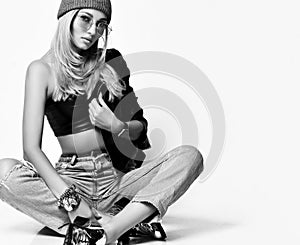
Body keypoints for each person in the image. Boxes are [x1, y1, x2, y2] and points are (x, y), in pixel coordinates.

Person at [0, 0, 204, 244]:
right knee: (3, 171)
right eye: (86, 19)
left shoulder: (111, 61)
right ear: (68, 18)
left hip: (115, 179)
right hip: (71, 178)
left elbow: (140, 127)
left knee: (190, 156)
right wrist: (70, 199)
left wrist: (117, 125)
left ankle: (105, 228)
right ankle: (127, 221)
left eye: (101, 24)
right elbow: (30, 150)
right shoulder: (41, 70)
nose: (93, 30)